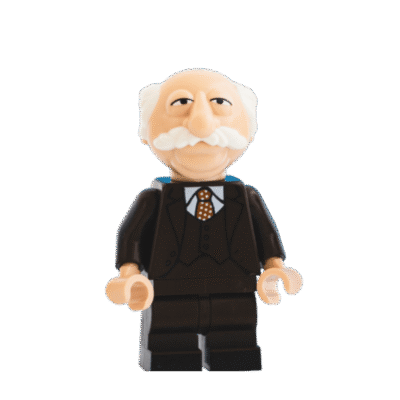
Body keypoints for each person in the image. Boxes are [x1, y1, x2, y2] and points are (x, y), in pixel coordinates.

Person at [105, 68, 303, 372]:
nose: (200, 125)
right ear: (146, 132)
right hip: (170, 284)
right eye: (180, 102)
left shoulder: (246, 197)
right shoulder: (153, 199)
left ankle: (233, 354)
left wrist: (274, 267)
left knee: (236, 335)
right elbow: (130, 235)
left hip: (235, 283)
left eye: (219, 103)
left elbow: (266, 234)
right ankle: (172, 357)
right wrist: (128, 273)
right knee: (171, 340)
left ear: (250, 129)